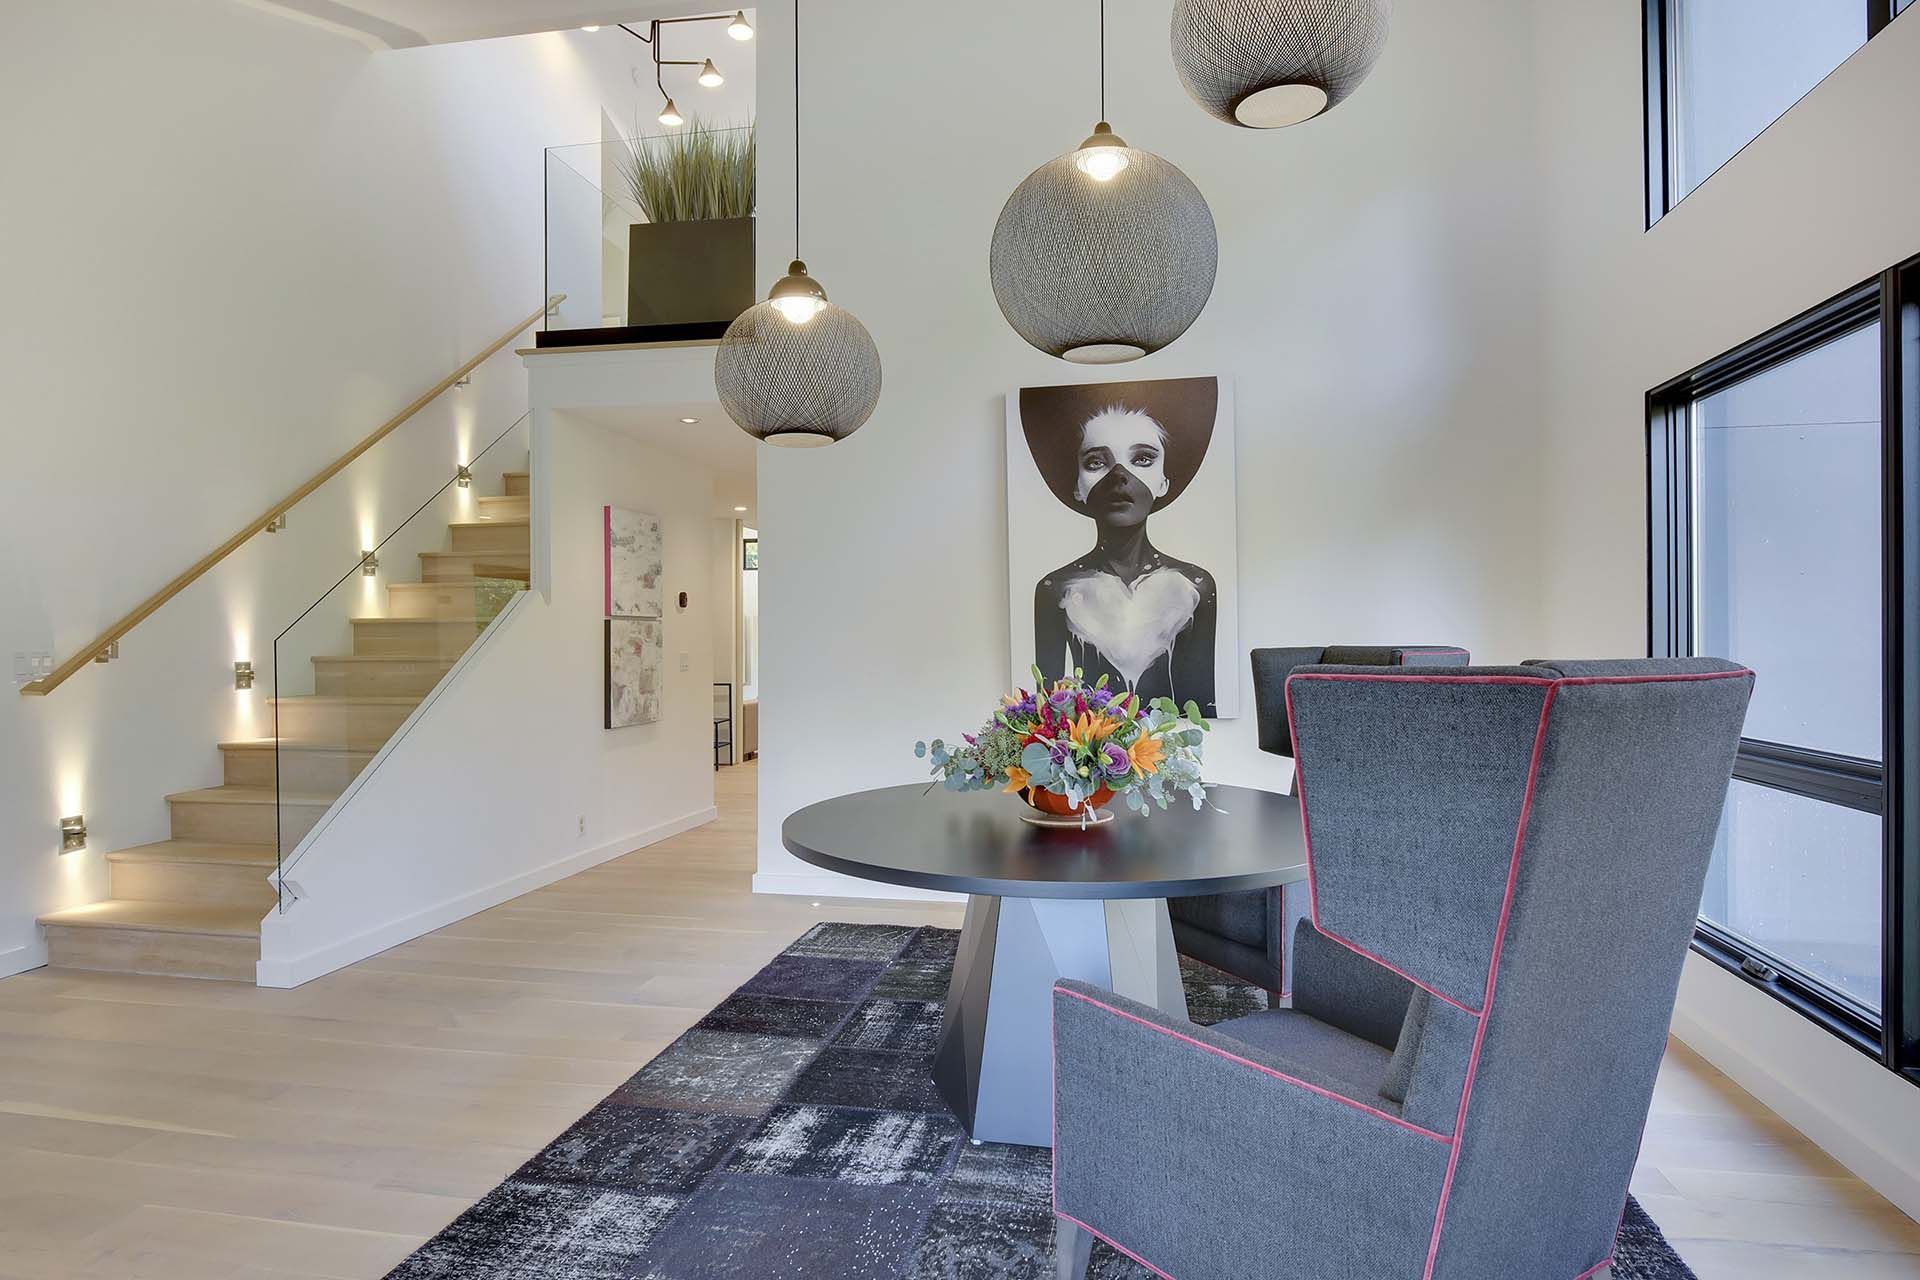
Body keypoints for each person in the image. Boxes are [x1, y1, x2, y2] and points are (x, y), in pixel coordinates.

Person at [1032, 404, 1217, 715]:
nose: (1119, 476)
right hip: (1087, 744)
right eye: (1096, 462)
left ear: (1163, 482)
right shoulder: (1055, 588)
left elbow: (1199, 707)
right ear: (1078, 486)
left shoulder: (1194, 586)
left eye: (1142, 459)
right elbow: (1046, 714)